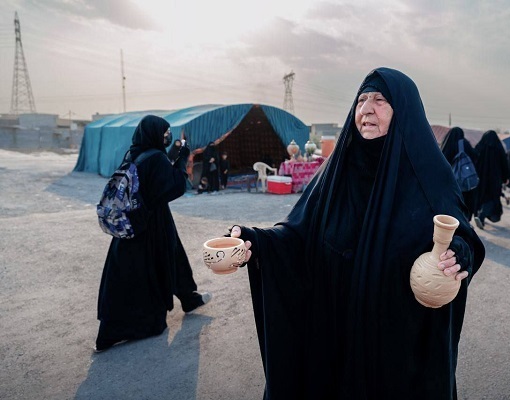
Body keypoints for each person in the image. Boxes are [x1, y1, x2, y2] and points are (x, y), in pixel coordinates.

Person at [229, 68, 485, 399]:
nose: (366, 109)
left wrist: (459, 254)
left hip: (396, 347)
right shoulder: (335, 173)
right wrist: (256, 240)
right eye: (362, 100)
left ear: (404, 110)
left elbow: (461, 235)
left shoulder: (428, 177)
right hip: (333, 332)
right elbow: (297, 235)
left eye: (380, 100)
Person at [95, 115, 211, 352]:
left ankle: (188, 298)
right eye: (165, 133)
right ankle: (174, 307)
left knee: (129, 274)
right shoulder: (156, 157)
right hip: (152, 226)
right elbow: (174, 186)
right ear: (155, 134)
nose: (167, 137)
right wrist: (182, 160)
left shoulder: (133, 154)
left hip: (132, 225)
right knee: (160, 264)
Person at [473, 130, 510, 230]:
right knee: (492, 198)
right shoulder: (498, 148)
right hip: (495, 179)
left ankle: (480, 216)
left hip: (481, 178)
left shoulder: (480, 146)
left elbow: (473, 160)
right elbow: (504, 163)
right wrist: (506, 177)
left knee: (482, 197)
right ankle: (482, 215)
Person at [440, 126, 479, 221]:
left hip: (451, 181)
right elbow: (475, 157)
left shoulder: (446, 145)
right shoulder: (465, 144)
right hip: (465, 181)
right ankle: (465, 222)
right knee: (466, 203)